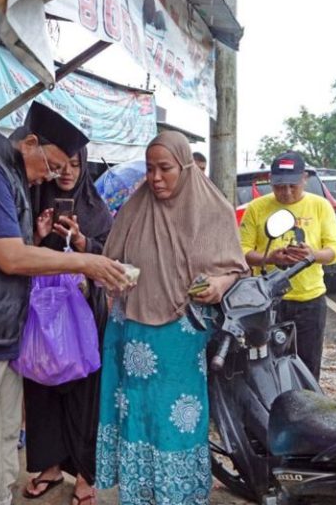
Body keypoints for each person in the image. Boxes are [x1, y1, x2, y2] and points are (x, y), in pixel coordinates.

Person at [0, 102, 128, 505]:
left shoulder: (13, 175)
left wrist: (37, 235)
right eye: (52, 165)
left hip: (1, 339)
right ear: (30, 142)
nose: (52, 175)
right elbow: (10, 258)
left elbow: (2, 252)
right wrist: (86, 261)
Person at [95, 131, 249, 504]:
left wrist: (219, 283)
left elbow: (235, 268)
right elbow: (112, 257)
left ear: (183, 167)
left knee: (176, 415)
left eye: (165, 169)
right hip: (131, 330)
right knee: (137, 410)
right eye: (150, 169)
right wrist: (112, 276)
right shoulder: (135, 207)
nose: (155, 178)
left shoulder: (213, 210)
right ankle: (139, 491)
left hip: (181, 333)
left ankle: (177, 493)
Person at [22, 144, 113, 504]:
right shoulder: (32, 201)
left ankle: (84, 475)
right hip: (41, 314)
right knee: (41, 385)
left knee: (83, 392)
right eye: (62, 166)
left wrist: (82, 242)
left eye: (76, 165)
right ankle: (49, 466)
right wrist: (40, 237)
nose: (68, 173)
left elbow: (110, 254)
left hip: (84, 314)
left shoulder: (95, 209)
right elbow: (14, 250)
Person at [239, 151, 336, 379]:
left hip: (309, 301)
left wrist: (312, 255)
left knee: (308, 366)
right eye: (279, 186)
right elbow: (243, 251)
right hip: (267, 301)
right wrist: (271, 258)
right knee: (265, 367)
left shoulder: (320, 206)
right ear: (271, 180)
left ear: (304, 178)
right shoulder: (256, 208)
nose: (286, 192)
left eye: (292, 186)